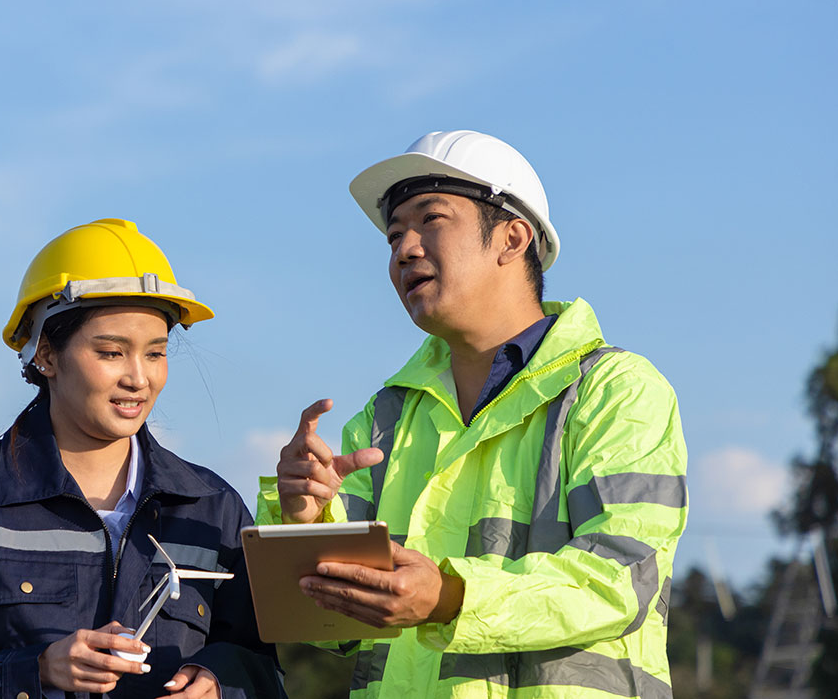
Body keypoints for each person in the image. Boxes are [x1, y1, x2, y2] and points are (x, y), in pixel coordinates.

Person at [260, 131, 687, 697]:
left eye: (430, 220)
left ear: (513, 237)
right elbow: (329, 629)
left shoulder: (617, 390)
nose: (404, 249)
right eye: (393, 235)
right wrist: (305, 521)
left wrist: (450, 597)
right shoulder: (384, 418)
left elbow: (621, 578)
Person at [0, 218, 285, 699]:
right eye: (110, 352)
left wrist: (220, 681)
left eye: (155, 353)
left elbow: (260, 664)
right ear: (45, 353)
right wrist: (34, 672)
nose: (138, 378)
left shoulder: (211, 507)